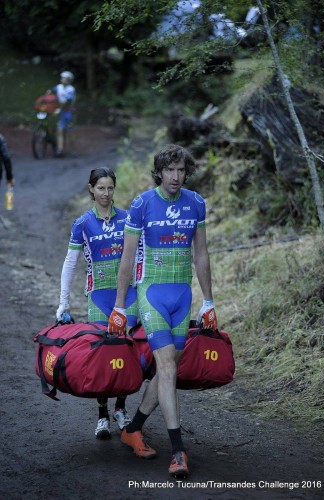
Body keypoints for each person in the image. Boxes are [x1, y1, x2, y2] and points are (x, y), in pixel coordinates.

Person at [108, 144, 218, 477]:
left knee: (167, 369)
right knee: (167, 365)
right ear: (159, 171)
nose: (175, 176)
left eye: (181, 170)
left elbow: (201, 254)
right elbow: (127, 259)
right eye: (169, 170)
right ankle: (178, 451)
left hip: (182, 296)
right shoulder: (142, 204)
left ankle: (134, 427)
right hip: (152, 294)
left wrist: (209, 301)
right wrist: (119, 306)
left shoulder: (196, 203)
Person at [56, 167, 138, 439]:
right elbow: (70, 263)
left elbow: (142, 256)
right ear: (91, 189)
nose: (106, 193)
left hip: (128, 296)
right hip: (98, 297)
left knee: (126, 352)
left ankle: (121, 408)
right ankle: (102, 415)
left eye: (110, 188)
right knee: (103, 355)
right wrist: (63, 302)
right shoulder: (82, 223)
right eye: (101, 188)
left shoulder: (128, 218)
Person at [48, 71, 76, 157]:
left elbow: (68, 101)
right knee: (59, 130)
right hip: (61, 112)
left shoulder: (71, 89)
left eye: (65, 78)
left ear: (69, 80)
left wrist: (59, 109)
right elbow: (51, 91)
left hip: (68, 111)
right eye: (62, 77)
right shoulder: (58, 87)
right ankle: (60, 149)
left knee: (70, 131)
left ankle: (72, 149)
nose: (62, 79)